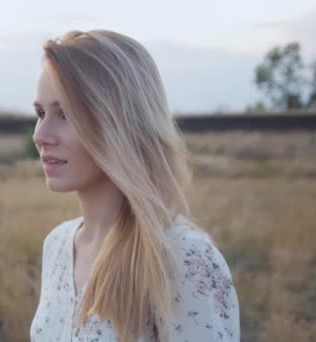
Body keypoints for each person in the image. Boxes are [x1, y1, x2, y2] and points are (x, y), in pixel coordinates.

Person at [29, 29, 239, 342]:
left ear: (118, 122)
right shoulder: (57, 245)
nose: (40, 135)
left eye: (66, 114)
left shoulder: (183, 257)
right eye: (41, 113)